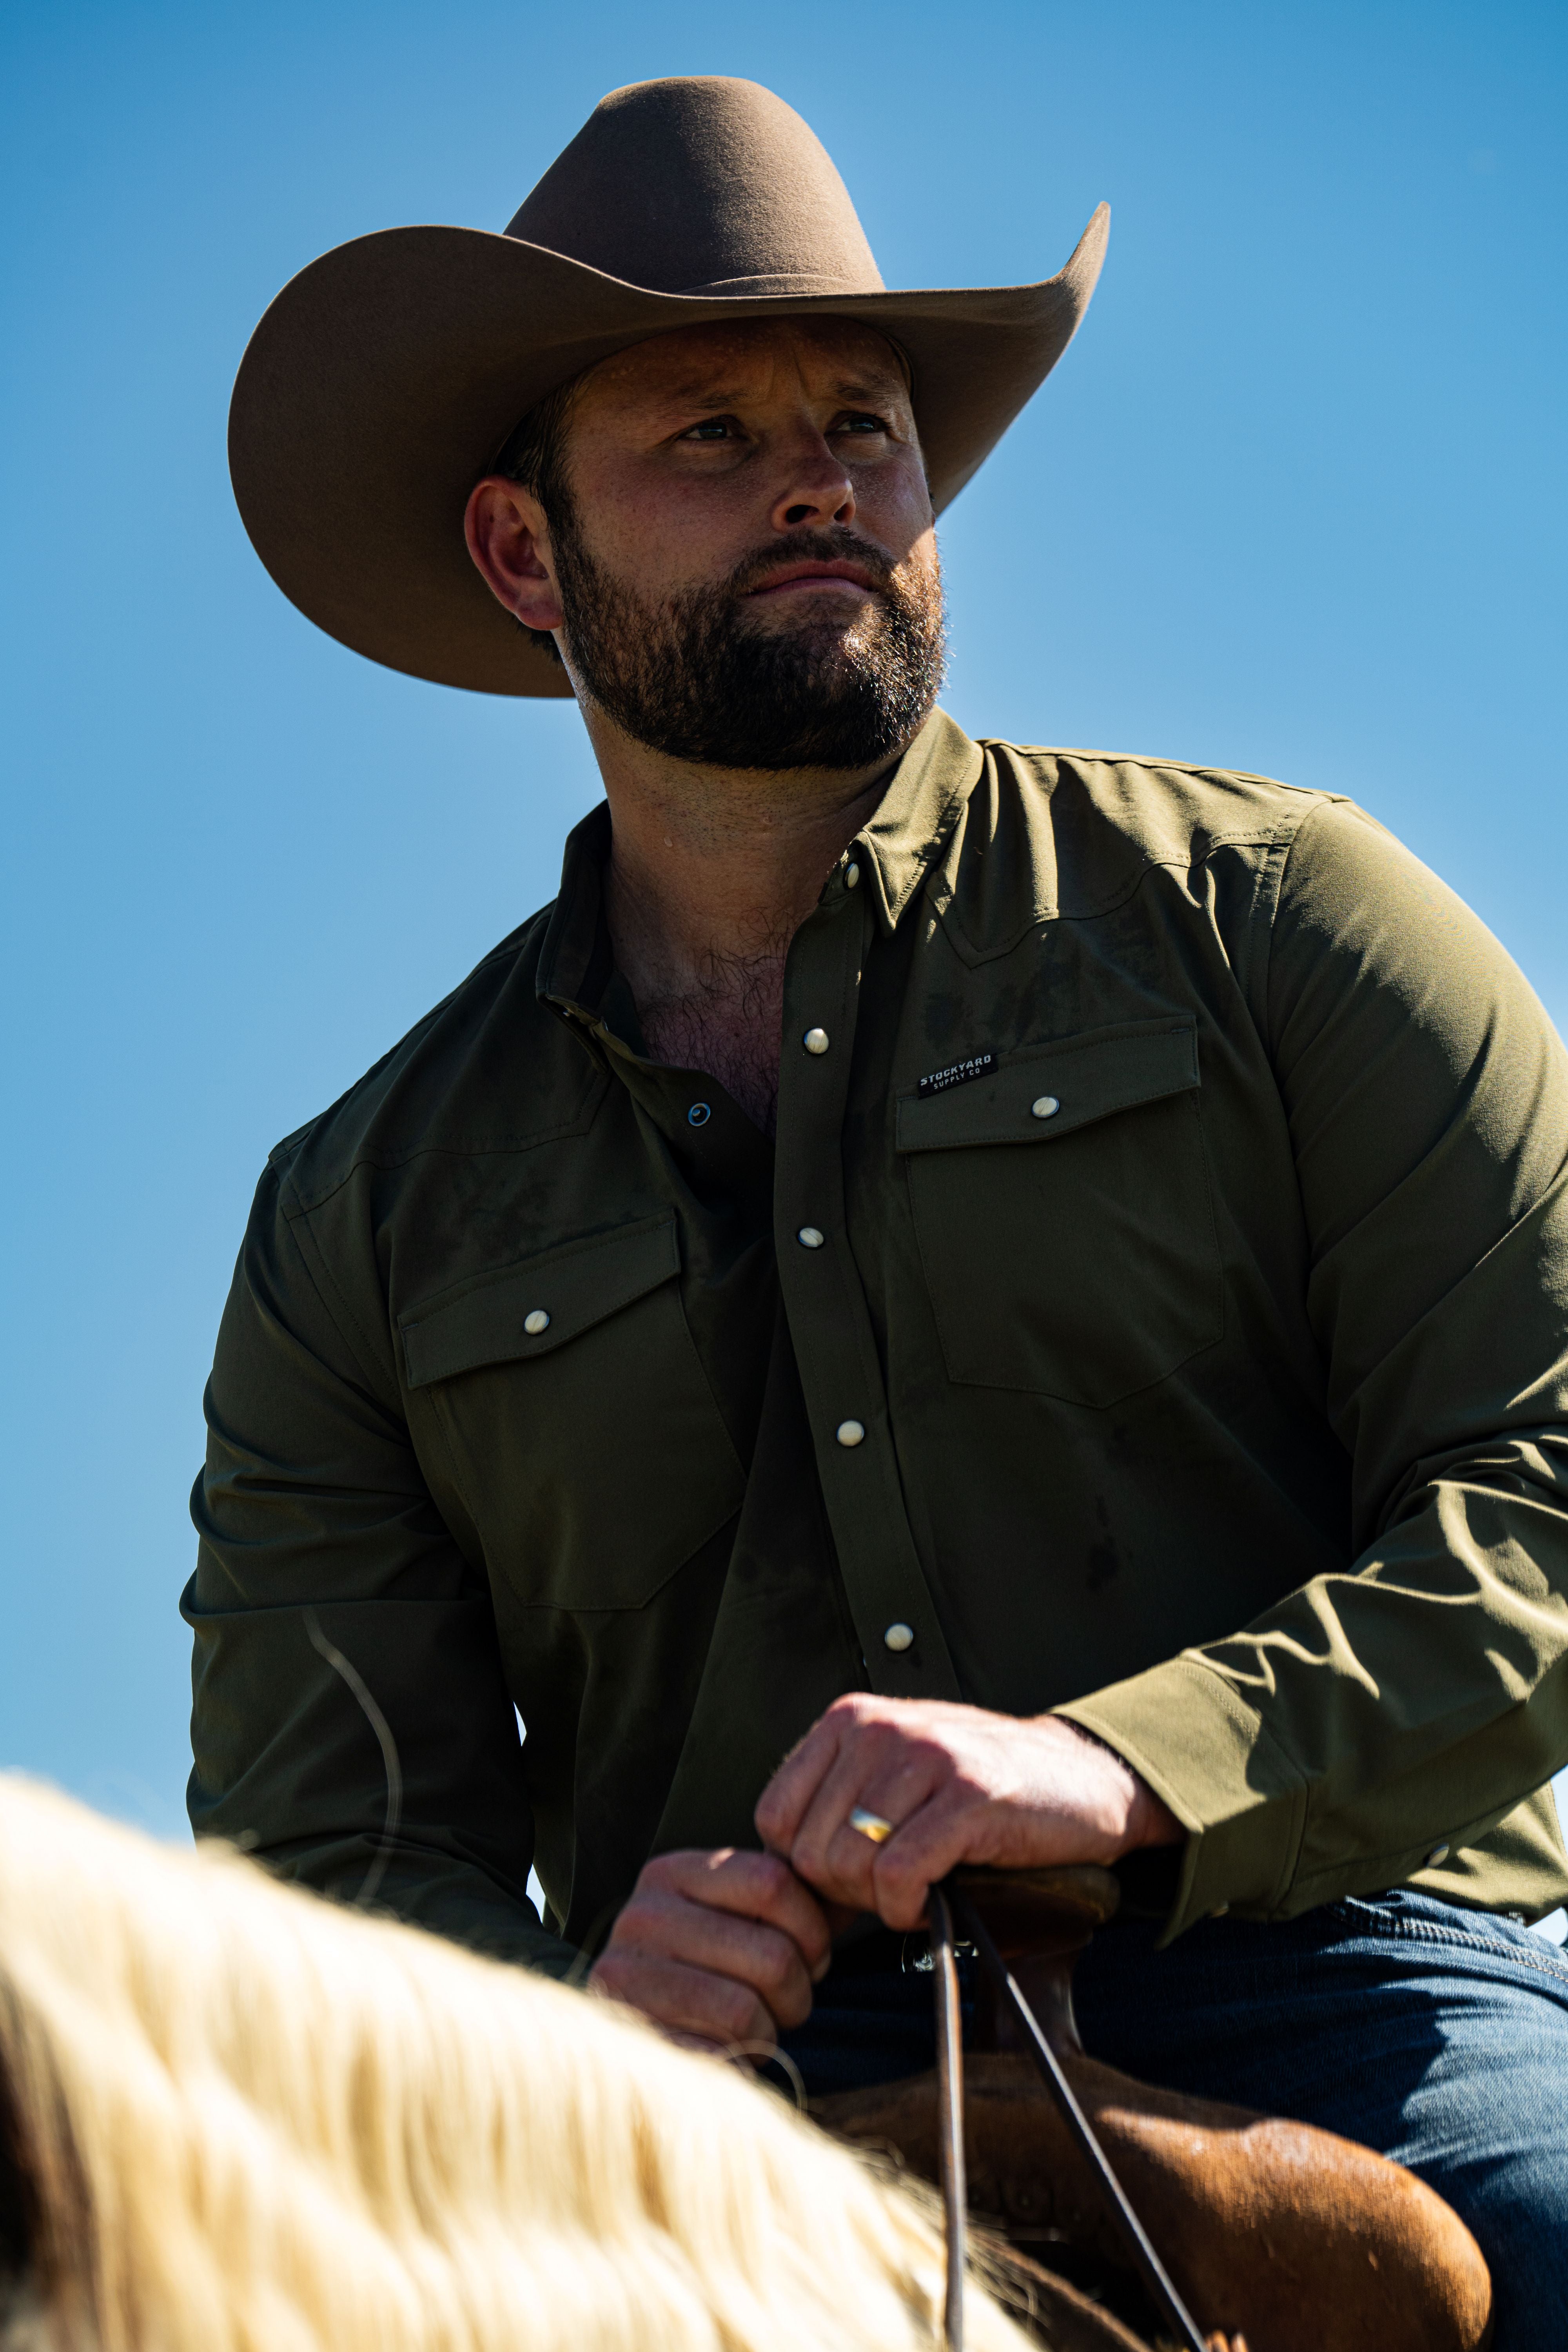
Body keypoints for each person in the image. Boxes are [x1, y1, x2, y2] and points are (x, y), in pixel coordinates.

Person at [192, 75, 1568, 2346]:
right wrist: (555, 2007)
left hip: (1341, 1989)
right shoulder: (357, 1220)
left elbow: (1543, 1500)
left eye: (864, 422)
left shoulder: (1281, 921)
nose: (823, 476)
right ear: (526, 557)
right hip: (688, 2094)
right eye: (709, 439)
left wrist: (1127, 1765)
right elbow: (327, 1847)